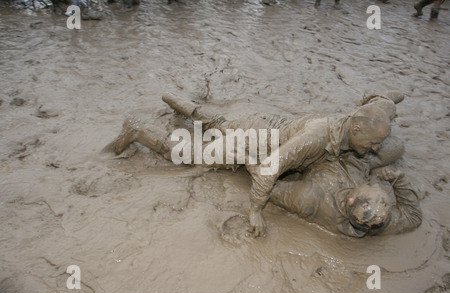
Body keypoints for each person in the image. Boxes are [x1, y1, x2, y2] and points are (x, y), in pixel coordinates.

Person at [105, 90, 403, 237]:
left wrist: (391, 99)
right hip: (254, 143)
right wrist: (255, 210)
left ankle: (173, 99)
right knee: (191, 154)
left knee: (219, 123)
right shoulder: (316, 137)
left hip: (266, 124)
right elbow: (271, 167)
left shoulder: (365, 122)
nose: (377, 148)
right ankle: (138, 129)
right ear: (357, 130)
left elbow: (382, 101)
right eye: (374, 143)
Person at [269, 140, 422, 237]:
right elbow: (412, 217)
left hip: (319, 159)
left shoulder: (311, 198)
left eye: (369, 186)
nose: (375, 183)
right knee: (397, 147)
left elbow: (267, 187)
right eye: (371, 185)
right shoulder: (377, 221)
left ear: (350, 200)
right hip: (357, 162)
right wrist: (399, 181)